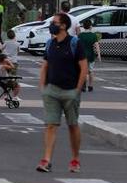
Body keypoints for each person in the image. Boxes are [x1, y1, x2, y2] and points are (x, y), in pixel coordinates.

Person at [37, 13, 88, 174]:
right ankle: (46, 160)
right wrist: (43, 87)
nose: (52, 25)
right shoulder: (50, 44)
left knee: (72, 125)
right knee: (50, 125)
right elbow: (45, 65)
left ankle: (75, 159)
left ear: (64, 26)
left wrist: (77, 89)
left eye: (55, 22)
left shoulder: (74, 43)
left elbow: (84, 67)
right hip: (52, 90)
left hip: (70, 90)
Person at [78, 19, 101, 92]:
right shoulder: (93, 35)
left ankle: (83, 86)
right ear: (90, 26)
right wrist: (99, 55)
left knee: (83, 70)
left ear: (83, 27)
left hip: (82, 56)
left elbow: (78, 46)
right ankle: (90, 86)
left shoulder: (80, 35)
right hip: (91, 55)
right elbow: (96, 46)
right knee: (90, 71)